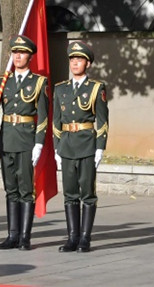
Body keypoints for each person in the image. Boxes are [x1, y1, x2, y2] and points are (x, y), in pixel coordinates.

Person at [0, 35, 48, 251]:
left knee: (26, 190)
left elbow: (43, 116)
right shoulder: (3, 81)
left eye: (22, 52)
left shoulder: (38, 83)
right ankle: (12, 235)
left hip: (26, 140)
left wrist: (39, 144)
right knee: (11, 189)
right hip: (6, 140)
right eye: (14, 52)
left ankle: (25, 237)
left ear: (30, 56)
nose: (17, 56)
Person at [53, 40, 109, 252]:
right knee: (69, 193)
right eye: (72, 59)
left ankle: (85, 238)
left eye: (80, 59)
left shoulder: (96, 88)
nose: (75, 63)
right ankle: (72, 237)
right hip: (67, 145)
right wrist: (57, 147)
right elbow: (56, 121)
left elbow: (103, 121)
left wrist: (100, 148)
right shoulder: (61, 89)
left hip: (86, 145)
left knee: (87, 193)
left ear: (88, 63)